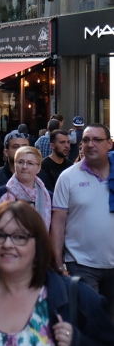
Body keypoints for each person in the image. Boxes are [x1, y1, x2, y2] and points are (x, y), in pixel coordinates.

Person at [0, 201, 114, 346]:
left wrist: (78, 341)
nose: (7, 244)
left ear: (38, 245)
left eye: (20, 237)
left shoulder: (75, 295)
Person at [51, 123, 114, 318]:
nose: (90, 144)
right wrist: (58, 264)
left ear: (110, 144)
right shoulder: (68, 177)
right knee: (89, 322)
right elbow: (58, 223)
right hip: (81, 264)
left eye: (97, 139)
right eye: (86, 140)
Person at [0, 146, 52, 229]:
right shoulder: (0, 193)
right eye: (20, 162)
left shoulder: (49, 197)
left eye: (30, 163)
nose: (24, 167)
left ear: (38, 168)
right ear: (15, 165)